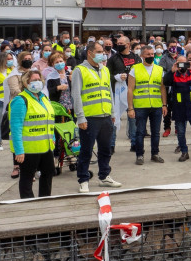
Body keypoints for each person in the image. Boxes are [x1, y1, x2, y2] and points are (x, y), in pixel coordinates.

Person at [72, 41, 122, 193]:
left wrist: (113, 113)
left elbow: (109, 92)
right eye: (99, 51)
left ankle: (104, 176)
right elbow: (76, 95)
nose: (103, 53)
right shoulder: (79, 70)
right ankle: (83, 179)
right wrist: (80, 117)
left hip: (105, 116)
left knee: (105, 149)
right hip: (89, 117)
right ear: (90, 53)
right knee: (86, 150)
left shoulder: (105, 70)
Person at [9, 70, 55, 199]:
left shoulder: (44, 98)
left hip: (46, 147)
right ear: (26, 82)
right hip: (29, 149)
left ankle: (45, 201)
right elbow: (16, 128)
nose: (37, 82)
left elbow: (49, 122)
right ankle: (28, 203)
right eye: (33, 80)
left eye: (39, 79)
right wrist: (18, 151)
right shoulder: (21, 100)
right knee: (27, 178)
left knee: (48, 173)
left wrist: (53, 140)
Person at [127, 45, 168, 165]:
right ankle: (139, 155)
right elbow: (130, 89)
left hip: (156, 105)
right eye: (148, 54)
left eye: (152, 54)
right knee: (140, 132)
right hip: (140, 106)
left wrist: (164, 104)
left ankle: (155, 154)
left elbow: (162, 89)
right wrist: (130, 108)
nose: (150, 56)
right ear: (142, 55)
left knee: (156, 132)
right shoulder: (135, 69)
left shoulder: (159, 69)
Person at [108, 36, 140, 154]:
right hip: (117, 92)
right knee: (114, 118)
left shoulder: (136, 58)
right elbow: (107, 75)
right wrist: (116, 77)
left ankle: (134, 143)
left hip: (132, 91)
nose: (118, 44)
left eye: (121, 43)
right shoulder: (113, 59)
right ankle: (111, 144)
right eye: (117, 43)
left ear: (127, 45)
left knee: (133, 117)